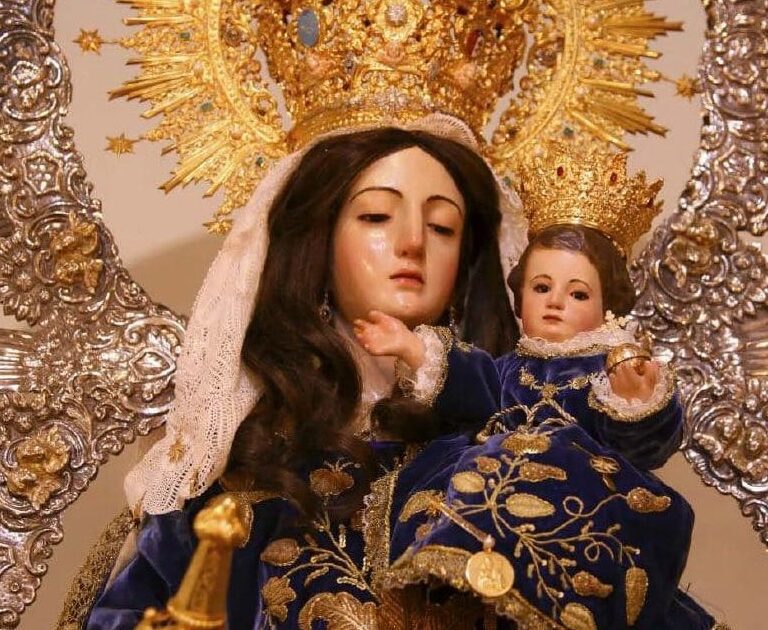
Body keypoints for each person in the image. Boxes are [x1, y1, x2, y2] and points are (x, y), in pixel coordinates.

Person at [84, 122, 529, 629]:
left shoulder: (504, 452)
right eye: (376, 216)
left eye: (442, 227)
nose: (413, 242)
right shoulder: (245, 471)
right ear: (320, 241)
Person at [353, 215, 720, 626]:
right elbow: (475, 385)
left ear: (607, 308)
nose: (555, 302)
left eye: (577, 294)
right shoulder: (509, 368)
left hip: (578, 507)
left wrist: (636, 400)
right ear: (519, 297)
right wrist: (413, 347)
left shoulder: (608, 372)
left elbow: (645, 446)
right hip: (497, 496)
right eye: (541, 287)